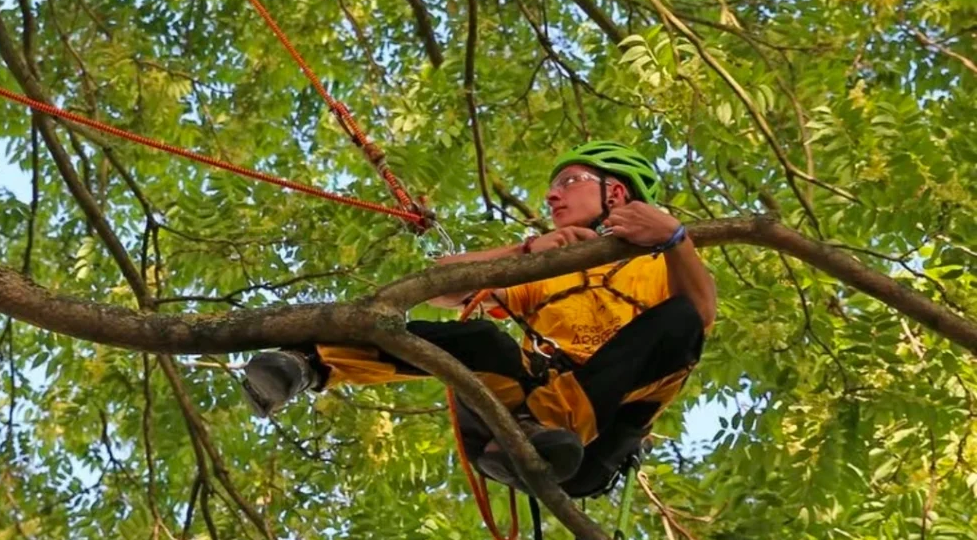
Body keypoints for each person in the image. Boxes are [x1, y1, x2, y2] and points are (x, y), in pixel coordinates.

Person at [242, 141, 716, 491]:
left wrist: (675, 239)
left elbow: (696, 318)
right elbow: (442, 286)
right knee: (480, 338)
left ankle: (548, 427)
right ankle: (308, 362)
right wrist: (528, 252)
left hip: (591, 442)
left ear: (616, 191)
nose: (552, 197)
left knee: (678, 321)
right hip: (519, 414)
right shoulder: (552, 267)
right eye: (552, 188)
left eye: (569, 182)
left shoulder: (663, 266)